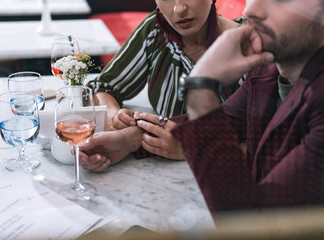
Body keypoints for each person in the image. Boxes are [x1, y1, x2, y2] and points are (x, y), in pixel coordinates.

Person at [79, 0, 324, 216]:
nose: (251, 9)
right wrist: (130, 139)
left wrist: (201, 89)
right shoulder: (267, 69)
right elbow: (227, 123)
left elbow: (250, 223)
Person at [87, 0, 241, 130]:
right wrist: (114, 116)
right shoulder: (156, 29)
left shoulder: (249, 45)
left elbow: (257, 131)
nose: (179, 9)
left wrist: (186, 145)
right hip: (158, 164)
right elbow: (104, 88)